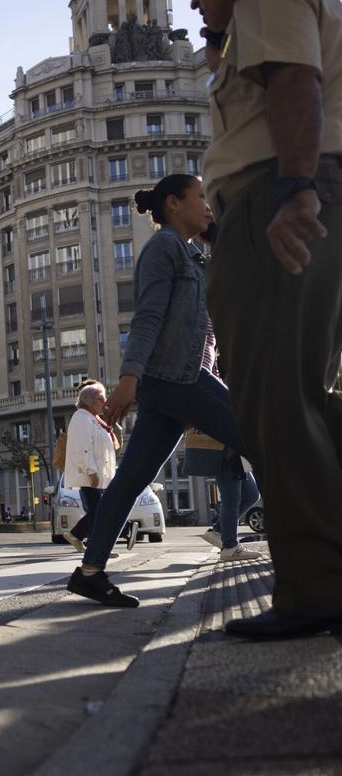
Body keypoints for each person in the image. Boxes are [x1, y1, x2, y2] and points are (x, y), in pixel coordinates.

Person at [183, 0, 342, 638]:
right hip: (295, 189)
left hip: (278, 195)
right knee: (311, 393)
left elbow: (294, 83)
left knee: (276, 398)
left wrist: (295, 190)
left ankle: (315, 589)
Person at [67, 175, 253, 609]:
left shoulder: (192, 252)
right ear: (173, 203)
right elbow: (148, 317)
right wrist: (130, 378)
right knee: (261, 438)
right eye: (200, 197)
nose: (208, 206)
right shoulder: (165, 248)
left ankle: (90, 573)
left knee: (132, 478)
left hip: (175, 381)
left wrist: (215, 239)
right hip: (177, 378)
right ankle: (314, 556)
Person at [61, 382, 119, 553]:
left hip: (99, 475)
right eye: (102, 398)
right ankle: (96, 547)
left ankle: (77, 536)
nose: (106, 401)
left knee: (98, 510)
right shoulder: (82, 418)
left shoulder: (93, 419)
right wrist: (91, 472)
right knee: (99, 511)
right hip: (90, 475)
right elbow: (83, 448)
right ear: (91, 400)